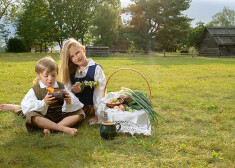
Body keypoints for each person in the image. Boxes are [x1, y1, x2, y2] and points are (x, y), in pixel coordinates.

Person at [6, 56, 85, 135]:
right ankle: (62, 128)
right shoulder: (35, 89)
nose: (50, 79)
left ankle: (51, 127)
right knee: (32, 116)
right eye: (46, 76)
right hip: (44, 117)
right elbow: (27, 106)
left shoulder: (61, 86)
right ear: (38, 75)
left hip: (61, 116)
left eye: (53, 75)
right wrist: (44, 102)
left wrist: (68, 101)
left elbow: (76, 103)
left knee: (80, 113)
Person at [60, 38, 106, 123]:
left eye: (77, 53)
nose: (76, 58)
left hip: (90, 107)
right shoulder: (71, 71)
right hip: (75, 106)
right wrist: (73, 92)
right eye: (72, 56)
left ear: (83, 49)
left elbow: (99, 93)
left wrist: (97, 115)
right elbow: (67, 91)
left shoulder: (96, 69)